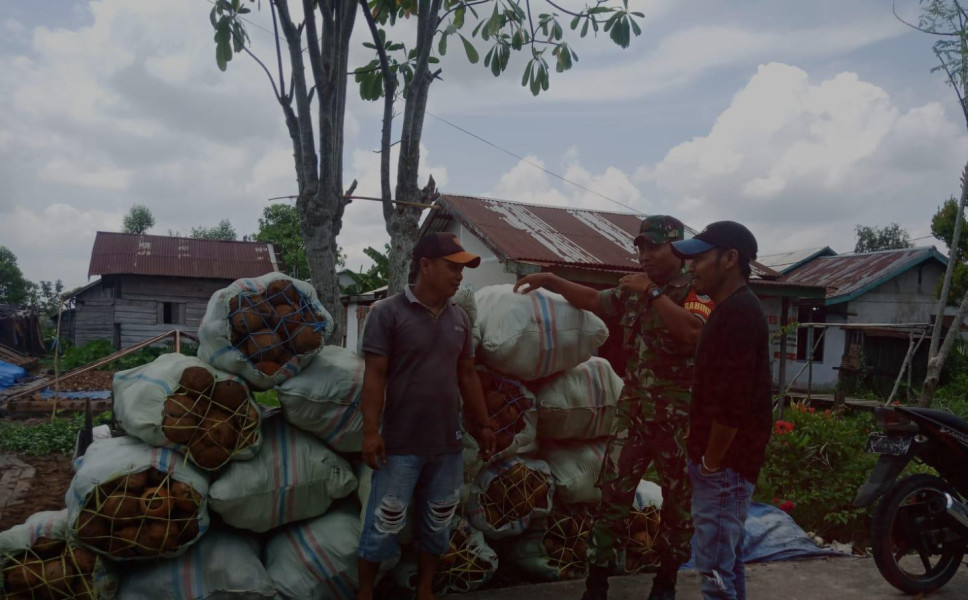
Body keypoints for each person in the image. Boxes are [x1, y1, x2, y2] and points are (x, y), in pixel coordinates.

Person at [514, 215, 714, 600]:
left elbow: (692, 331)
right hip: (634, 413)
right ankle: (597, 582)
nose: (645, 255)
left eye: (653, 246)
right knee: (612, 496)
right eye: (640, 247)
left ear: (676, 247)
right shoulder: (634, 289)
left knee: (677, 505)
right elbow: (594, 300)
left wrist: (653, 294)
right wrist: (552, 280)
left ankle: (666, 581)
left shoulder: (697, 289)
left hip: (678, 420)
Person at [356, 232, 496, 600]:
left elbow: (467, 374)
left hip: (446, 444)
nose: (459, 276)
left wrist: (483, 425)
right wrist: (371, 432)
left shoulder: (460, 320)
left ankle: (426, 590)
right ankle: (365, 591)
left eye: (462, 269)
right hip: (400, 443)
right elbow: (375, 376)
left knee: (438, 521)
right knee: (384, 522)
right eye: (453, 267)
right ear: (425, 265)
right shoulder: (387, 313)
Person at [670, 221, 772, 600]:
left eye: (699, 258)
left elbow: (733, 403)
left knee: (714, 573)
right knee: (725, 564)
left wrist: (711, 462)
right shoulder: (732, 309)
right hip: (725, 464)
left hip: (725, 466)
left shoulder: (739, 314)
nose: (691, 267)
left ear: (730, 259)